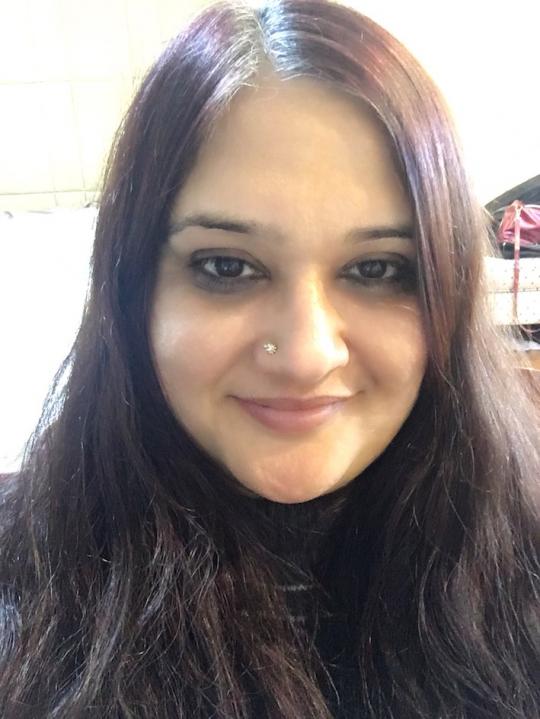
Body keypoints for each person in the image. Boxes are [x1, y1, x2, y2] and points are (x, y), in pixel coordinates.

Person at [0, 0, 538, 717]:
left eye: (377, 269)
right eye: (226, 266)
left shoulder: (523, 565)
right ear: (132, 291)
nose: (306, 357)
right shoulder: (24, 592)